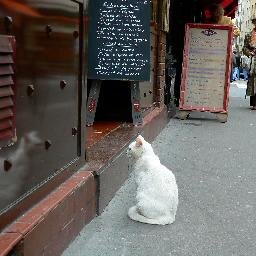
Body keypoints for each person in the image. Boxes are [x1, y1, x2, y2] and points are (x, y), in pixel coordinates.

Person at [242, 16, 256, 110]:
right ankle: (255, 103)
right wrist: (250, 52)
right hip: (254, 60)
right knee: (253, 82)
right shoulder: (249, 35)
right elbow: (244, 48)